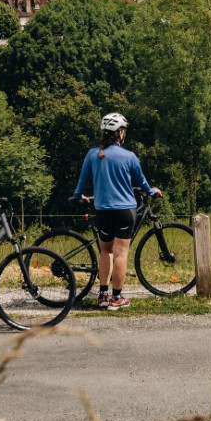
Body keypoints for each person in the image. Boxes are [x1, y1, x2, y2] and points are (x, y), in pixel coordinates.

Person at [73, 112, 161, 309]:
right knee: (121, 254)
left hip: (102, 211)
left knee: (106, 251)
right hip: (125, 211)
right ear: (120, 132)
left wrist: (78, 196)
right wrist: (151, 191)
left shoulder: (92, 154)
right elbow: (142, 182)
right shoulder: (129, 156)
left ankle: (103, 295)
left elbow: (82, 182)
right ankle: (117, 298)